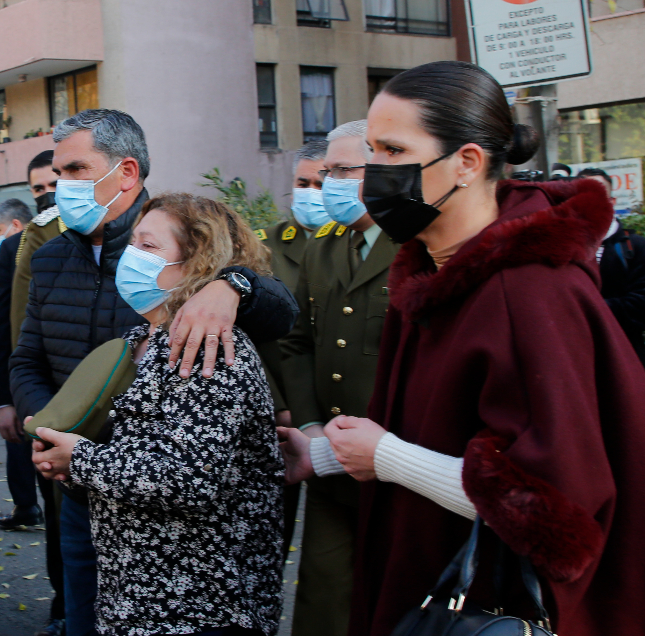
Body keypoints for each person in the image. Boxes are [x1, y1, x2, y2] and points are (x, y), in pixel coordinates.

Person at [278, 60, 645, 636]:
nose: (373, 171)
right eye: (371, 150)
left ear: (468, 163)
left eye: (393, 151)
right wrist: (322, 455)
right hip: (429, 580)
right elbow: (436, 428)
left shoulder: (526, 289)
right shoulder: (433, 273)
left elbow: (556, 513)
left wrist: (388, 457)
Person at [9, 108, 299, 636]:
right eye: (59, 174)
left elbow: (187, 475)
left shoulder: (205, 332)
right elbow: (26, 356)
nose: (62, 185)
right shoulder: (56, 263)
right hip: (97, 510)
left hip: (191, 584)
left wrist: (233, 286)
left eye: (76, 170)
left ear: (125, 172)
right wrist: (48, 429)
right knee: (81, 610)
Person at [278, 120, 394, 636]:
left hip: (397, 460)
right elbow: (298, 341)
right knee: (325, 597)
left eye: (344, 171)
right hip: (330, 456)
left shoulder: (416, 244)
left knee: (395, 596)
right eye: (326, 172)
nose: (329, 185)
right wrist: (309, 424)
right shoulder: (325, 244)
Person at [0, 198, 66, 636]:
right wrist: (6, 399)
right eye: (41, 188)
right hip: (46, 404)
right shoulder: (20, 246)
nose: (50, 196)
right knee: (57, 514)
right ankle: (63, 605)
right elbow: (4, 328)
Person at [257, 138, 328, 563]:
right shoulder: (262, 246)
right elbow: (251, 333)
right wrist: (282, 407)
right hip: (279, 416)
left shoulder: (362, 248)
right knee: (270, 537)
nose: (311, 192)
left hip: (342, 414)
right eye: (302, 182)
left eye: (321, 182)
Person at [579, 168, 645, 363]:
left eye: (597, 195)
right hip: (581, 357)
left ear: (612, 202)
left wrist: (583, 310)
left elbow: (640, 306)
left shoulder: (634, 246)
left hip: (626, 356)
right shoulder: (564, 248)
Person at [11, 150, 65, 350]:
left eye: (54, 185)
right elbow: (19, 309)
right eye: (39, 189)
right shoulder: (31, 236)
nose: (47, 194)